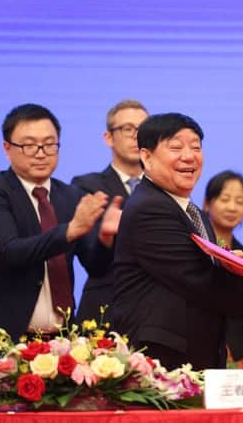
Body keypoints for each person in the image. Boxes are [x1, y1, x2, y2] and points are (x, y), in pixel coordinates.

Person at [112, 112, 243, 371]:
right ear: (146, 156)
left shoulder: (193, 213)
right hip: (160, 365)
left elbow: (206, 278)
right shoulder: (151, 208)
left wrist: (234, 270)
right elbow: (202, 282)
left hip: (196, 358)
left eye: (196, 147)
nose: (189, 156)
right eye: (176, 147)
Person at [0, 103, 120, 352]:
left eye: (49, 144)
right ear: (7, 148)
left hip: (61, 341)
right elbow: (8, 252)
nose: (41, 153)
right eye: (29, 145)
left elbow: (95, 267)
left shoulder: (70, 195)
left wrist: (106, 237)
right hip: (5, 337)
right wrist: (70, 230)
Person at [71, 99, 149, 325]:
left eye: (142, 129)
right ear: (108, 138)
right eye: (127, 129)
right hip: (106, 312)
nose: (136, 136)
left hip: (156, 315)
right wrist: (105, 237)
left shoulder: (166, 189)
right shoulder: (87, 187)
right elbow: (93, 262)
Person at [202, 170, 243, 369]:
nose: (232, 207)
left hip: (241, 353)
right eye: (225, 199)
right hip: (200, 348)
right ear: (207, 203)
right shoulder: (195, 249)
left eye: (240, 201)